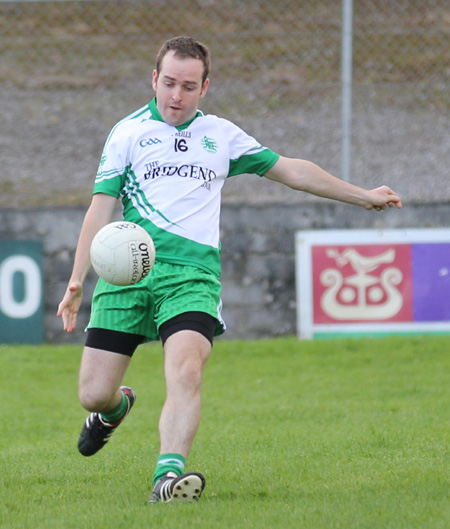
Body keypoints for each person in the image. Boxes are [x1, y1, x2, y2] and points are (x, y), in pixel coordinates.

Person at [57, 35, 402, 504]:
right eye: (170, 84)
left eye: (189, 86)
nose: (177, 96)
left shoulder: (221, 135)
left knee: (186, 370)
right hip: (128, 274)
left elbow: (291, 171)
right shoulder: (128, 133)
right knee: (93, 395)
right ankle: (115, 409)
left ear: (205, 87)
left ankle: (167, 478)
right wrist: (77, 280)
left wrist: (364, 195)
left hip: (192, 277)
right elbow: (100, 210)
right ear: (154, 79)